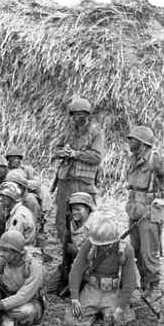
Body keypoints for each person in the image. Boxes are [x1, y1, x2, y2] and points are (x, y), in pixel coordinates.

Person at [125, 125, 164, 302]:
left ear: (142, 143)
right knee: (136, 250)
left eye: (132, 139)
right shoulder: (134, 158)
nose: (129, 142)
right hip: (135, 209)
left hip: (150, 213)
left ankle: (155, 287)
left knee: (150, 252)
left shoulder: (156, 159)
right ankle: (144, 284)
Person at [63, 217, 136, 326]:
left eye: (105, 245)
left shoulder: (126, 250)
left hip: (113, 291)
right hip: (92, 289)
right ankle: (95, 316)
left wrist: (120, 307)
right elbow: (76, 270)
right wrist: (75, 298)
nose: (101, 247)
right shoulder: (89, 244)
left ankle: (105, 316)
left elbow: (129, 281)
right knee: (71, 323)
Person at [52, 97, 103, 242]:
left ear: (88, 115)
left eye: (81, 114)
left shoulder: (95, 133)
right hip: (65, 180)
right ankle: (64, 247)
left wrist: (75, 154)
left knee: (83, 215)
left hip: (83, 183)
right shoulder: (68, 132)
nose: (77, 117)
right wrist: (61, 152)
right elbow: (56, 149)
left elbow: (97, 156)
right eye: (75, 114)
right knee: (62, 215)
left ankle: (83, 246)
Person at [47, 192, 96, 295]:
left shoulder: (96, 227)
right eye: (73, 209)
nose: (74, 212)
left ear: (87, 209)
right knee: (49, 288)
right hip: (71, 265)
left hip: (89, 270)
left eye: (78, 209)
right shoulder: (72, 224)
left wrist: (77, 252)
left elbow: (99, 256)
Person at [0, 182, 36, 247]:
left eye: (2, 197)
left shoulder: (18, 216)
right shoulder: (20, 210)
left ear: (7, 200)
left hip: (20, 251)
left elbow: (12, 241)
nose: (0, 199)